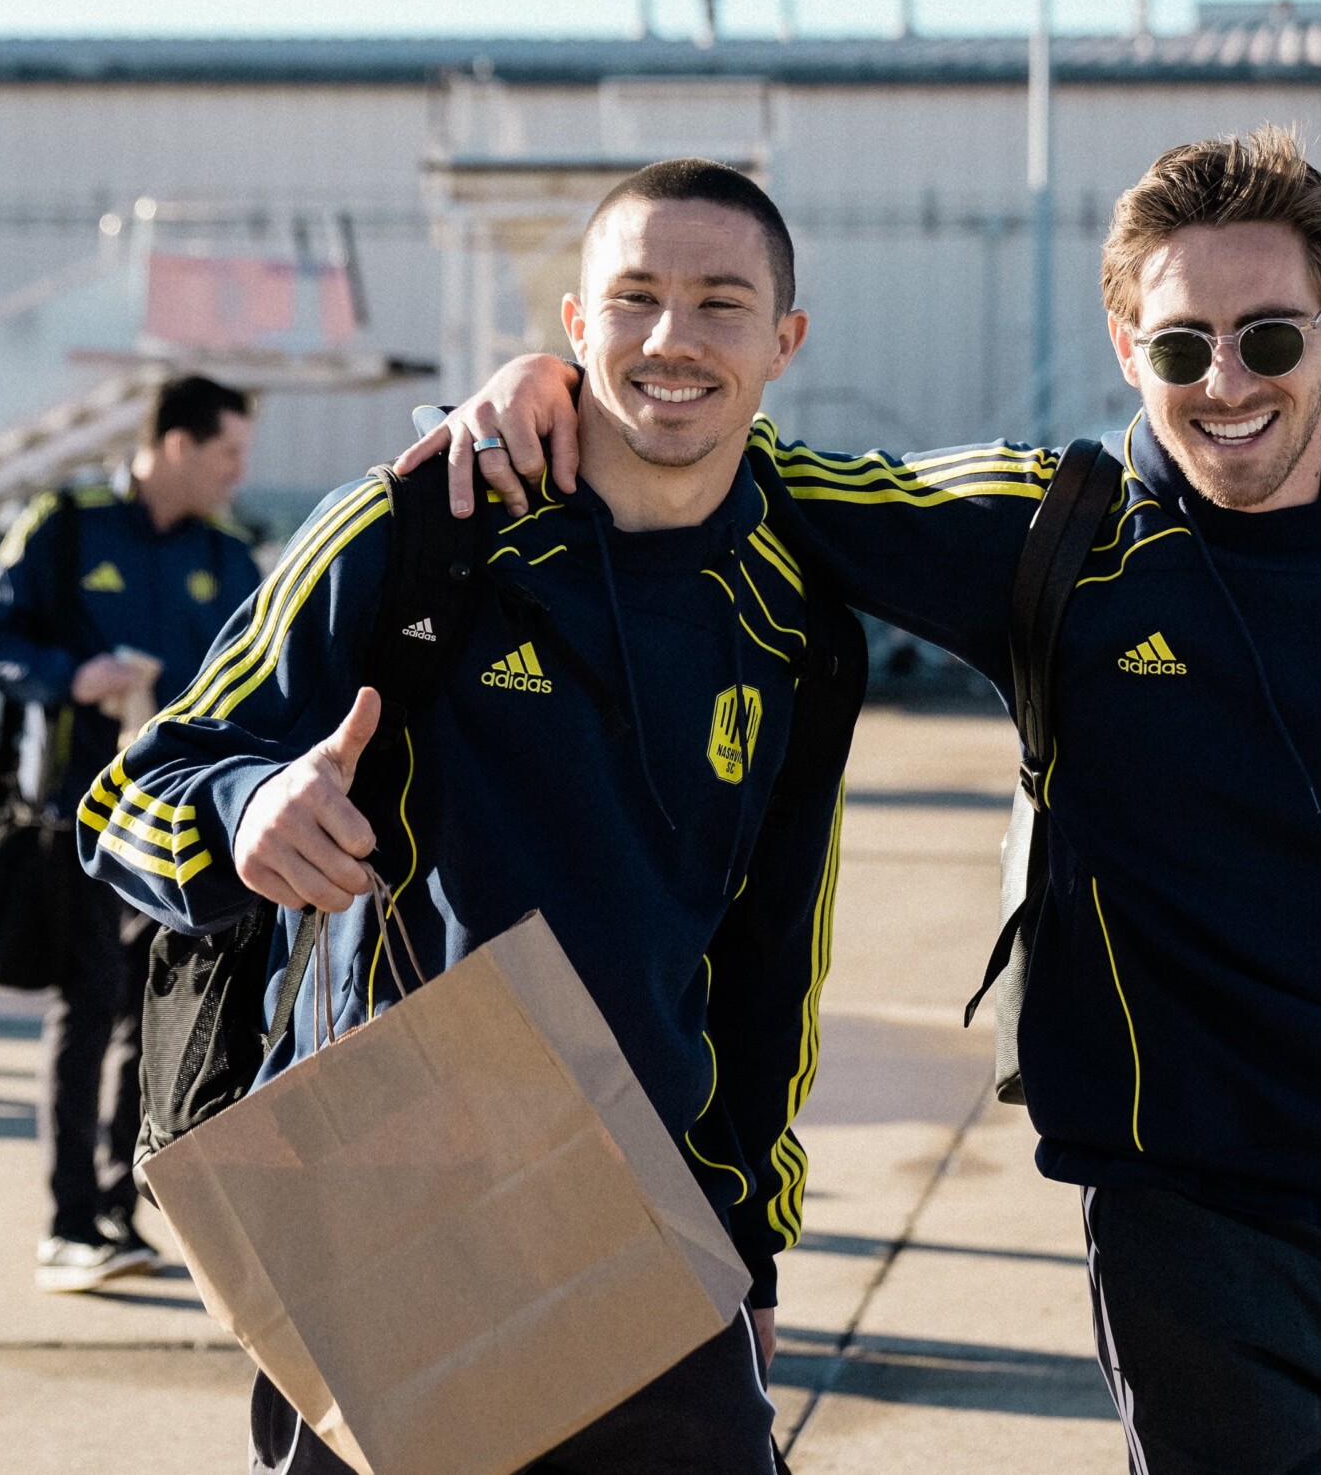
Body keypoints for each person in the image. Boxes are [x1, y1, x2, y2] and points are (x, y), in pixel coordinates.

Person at [410, 127, 1321, 1475]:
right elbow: (739, 458)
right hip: (1189, 1218)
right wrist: (561, 384)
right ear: (1129, 351)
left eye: (1269, 338)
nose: (1225, 382)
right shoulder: (1060, 534)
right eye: (1181, 345)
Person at [79, 161, 852, 1475]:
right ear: (574, 326)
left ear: (786, 340)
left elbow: (767, 961)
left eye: (721, 302)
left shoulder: (796, 618)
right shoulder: (412, 528)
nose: (672, 337)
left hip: (650, 1227)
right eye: (636, 298)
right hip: (393, 1207)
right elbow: (130, 796)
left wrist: (751, 1240)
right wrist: (249, 805)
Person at [0, 375, 263, 1293]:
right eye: (227, 454)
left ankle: (117, 1210)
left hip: (180, 831)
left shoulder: (228, 556)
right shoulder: (66, 524)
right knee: (89, 1003)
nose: (237, 474)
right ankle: (67, 1222)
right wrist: (74, 673)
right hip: (76, 819)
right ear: (175, 442)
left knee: (158, 1015)